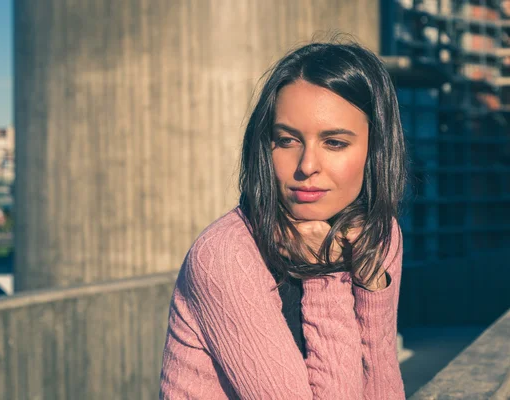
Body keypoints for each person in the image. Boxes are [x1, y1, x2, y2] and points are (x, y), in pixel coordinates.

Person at [160, 39, 407, 399]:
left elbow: (383, 386)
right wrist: (327, 274)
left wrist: (373, 290)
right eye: (287, 140)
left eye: (334, 143)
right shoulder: (226, 256)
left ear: (376, 149)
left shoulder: (377, 234)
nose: (307, 166)